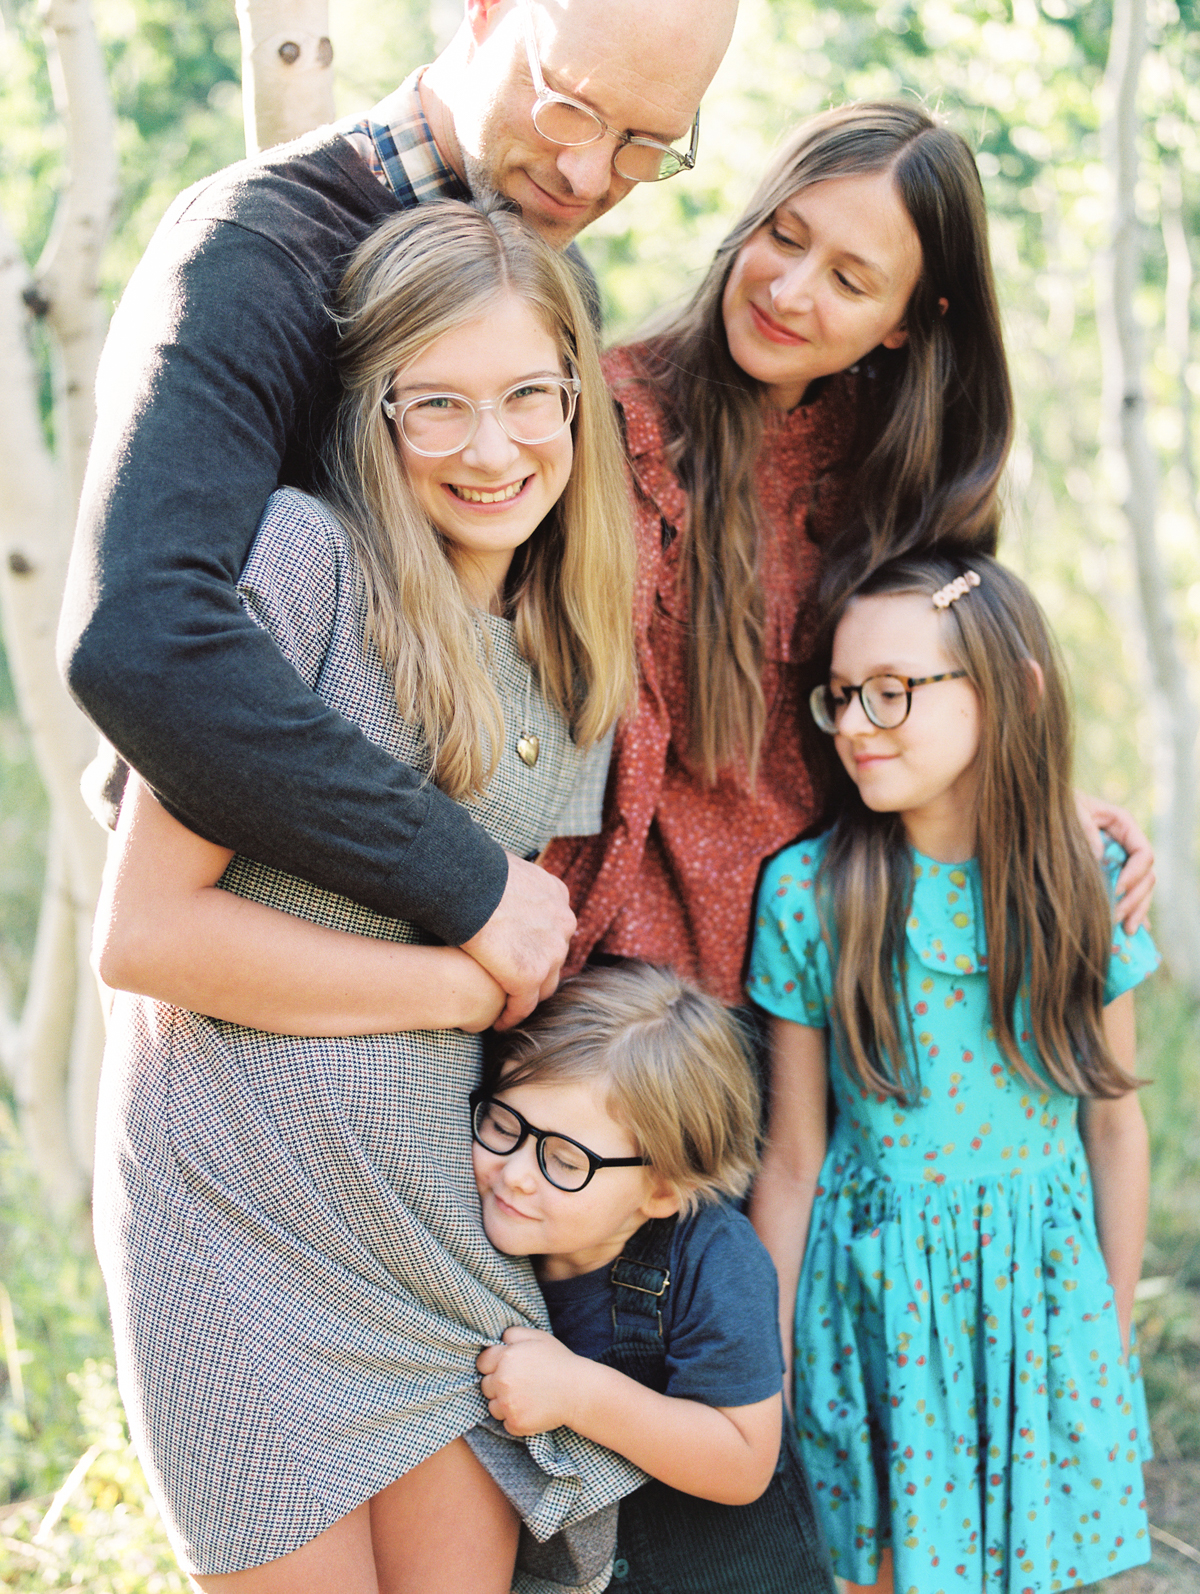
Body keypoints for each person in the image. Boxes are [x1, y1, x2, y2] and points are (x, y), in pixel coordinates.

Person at [92, 200, 640, 1593]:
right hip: (235, 1212)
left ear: (580, 398)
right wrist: (454, 984)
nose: (492, 445)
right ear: (374, 413)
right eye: (436, 402)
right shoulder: (302, 564)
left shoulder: (568, 657)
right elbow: (145, 934)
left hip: (428, 1232)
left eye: (529, 396)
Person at [60, 0, 738, 1030]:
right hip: (246, 1055)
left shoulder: (559, 288)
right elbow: (142, 637)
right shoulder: (254, 253)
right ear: (482, 12)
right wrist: (466, 879)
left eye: (647, 145)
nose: (590, 176)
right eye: (569, 109)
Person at [544, 101, 1153, 1007]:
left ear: (908, 320)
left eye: (850, 281)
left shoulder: (899, 467)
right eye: (784, 237)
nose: (790, 292)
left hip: (842, 961)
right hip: (629, 983)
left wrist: (1028, 790)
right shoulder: (606, 421)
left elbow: (940, 688)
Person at [746, 552, 1156, 1593]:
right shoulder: (811, 894)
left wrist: (1106, 1331)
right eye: (840, 696)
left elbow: (1112, 1125)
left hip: (1043, 1303)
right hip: (876, 1313)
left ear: (1009, 690)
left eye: (894, 691)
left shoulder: (1085, 882)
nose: (856, 723)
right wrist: (770, 1368)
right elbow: (794, 1161)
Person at [472, 960, 835, 1594]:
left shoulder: (714, 1261)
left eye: (563, 1158)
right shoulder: (491, 1243)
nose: (518, 1174)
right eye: (504, 1124)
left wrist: (580, 1394)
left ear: (662, 1188)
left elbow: (746, 1460)